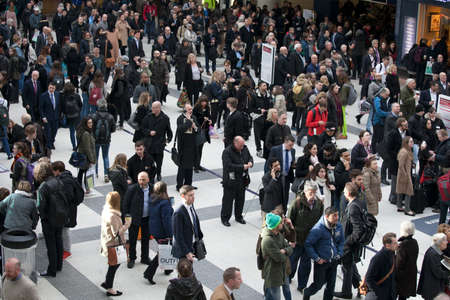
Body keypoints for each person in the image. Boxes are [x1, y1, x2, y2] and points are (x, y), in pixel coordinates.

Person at [288, 181, 323, 293]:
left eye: (314, 193)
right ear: (305, 192)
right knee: (293, 260)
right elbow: (288, 222)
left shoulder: (319, 205)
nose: (312, 196)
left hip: (310, 241)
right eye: (310, 193)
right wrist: (290, 239)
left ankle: (302, 285)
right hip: (297, 240)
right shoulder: (297, 203)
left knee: (306, 264)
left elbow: (320, 223)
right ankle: (288, 277)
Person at [303, 206, 344, 300]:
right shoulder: (318, 229)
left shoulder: (338, 225)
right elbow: (308, 244)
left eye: (337, 215)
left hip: (333, 261)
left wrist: (339, 253)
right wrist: (316, 258)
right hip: (322, 263)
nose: (337, 218)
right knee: (318, 285)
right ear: (327, 216)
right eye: (334, 216)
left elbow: (341, 241)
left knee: (331, 285)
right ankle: (307, 292)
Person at [34, 162, 68, 277]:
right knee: (58, 240)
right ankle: (59, 265)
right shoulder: (58, 180)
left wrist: (42, 216)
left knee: (51, 244)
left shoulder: (43, 186)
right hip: (60, 215)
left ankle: (51, 270)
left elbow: (40, 205)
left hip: (49, 219)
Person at [334, 183, 364, 299]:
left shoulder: (353, 207)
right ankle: (362, 288)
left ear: (348, 193)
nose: (343, 192)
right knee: (350, 265)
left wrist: (347, 242)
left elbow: (358, 230)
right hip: (350, 243)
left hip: (349, 243)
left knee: (347, 267)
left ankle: (346, 292)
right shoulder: (357, 203)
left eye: (345, 191)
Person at [100, 191, 131, 297]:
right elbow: (117, 232)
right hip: (113, 244)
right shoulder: (113, 215)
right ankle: (109, 288)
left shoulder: (106, 210)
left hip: (107, 241)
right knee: (114, 265)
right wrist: (127, 224)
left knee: (113, 264)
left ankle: (107, 283)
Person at [51, 161, 84, 260]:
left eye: (53, 171)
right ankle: (65, 248)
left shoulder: (65, 181)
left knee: (65, 229)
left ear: (57, 171)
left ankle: (67, 250)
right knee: (64, 228)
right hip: (67, 208)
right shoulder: (66, 177)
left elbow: (69, 196)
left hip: (68, 209)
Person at [143, 181, 174, 284]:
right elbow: (167, 221)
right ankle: (148, 273)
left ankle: (168, 269)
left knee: (164, 250)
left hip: (154, 229)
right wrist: (170, 235)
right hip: (162, 232)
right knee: (163, 252)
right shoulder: (165, 202)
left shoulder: (152, 199)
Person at [221, 136, 253, 227]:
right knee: (228, 200)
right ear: (235, 143)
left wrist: (251, 162)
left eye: (243, 145)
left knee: (241, 199)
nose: (242, 147)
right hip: (231, 180)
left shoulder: (244, 149)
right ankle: (225, 218)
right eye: (240, 145)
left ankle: (238, 216)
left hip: (243, 180)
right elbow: (228, 166)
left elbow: (250, 157)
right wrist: (242, 167)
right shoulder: (227, 152)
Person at [123, 171, 152, 269]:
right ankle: (132, 258)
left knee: (145, 239)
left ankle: (144, 257)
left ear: (148, 179)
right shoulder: (132, 189)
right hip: (134, 219)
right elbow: (125, 205)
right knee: (132, 239)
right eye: (140, 179)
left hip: (147, 219)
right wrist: (127, 218)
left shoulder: (152, 189)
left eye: (144, 179)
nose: (141, 182)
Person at [261, 212, 294, 300]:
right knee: (275, 297)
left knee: (270, 296)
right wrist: (285, 253)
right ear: (275, 226)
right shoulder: (267, 240)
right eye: (280, 223)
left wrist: (285, 250)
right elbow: (280, 258)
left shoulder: (278, 234)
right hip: (273, 274)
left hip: (282, 270)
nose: (282, 223)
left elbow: (290, 248)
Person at [140, 101, 173, 181]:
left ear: (159, 108)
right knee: (149, 162)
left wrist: (168, 140)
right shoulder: (148, 117)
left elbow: (169, 130)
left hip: (159, 144)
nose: (152, 109)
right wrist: (149, 132)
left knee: (159, 162)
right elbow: (142, 128)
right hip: (149, 144)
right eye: (152, 107)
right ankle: (150, 175)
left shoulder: (165, 118)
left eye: (154, 108)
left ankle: (158, 174)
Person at [172, 185, 204, 261]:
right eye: (190, 195)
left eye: (193, 195)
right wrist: (187, 252)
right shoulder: (178, 212)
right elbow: (178, 236)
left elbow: (194, 222)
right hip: (183, 250)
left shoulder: (191, 205)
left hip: (192, 244)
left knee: (187, 271)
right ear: (183, 196)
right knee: (185, 271)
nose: (193, 197)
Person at [365, 233, 398, 300]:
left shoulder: (392, 255)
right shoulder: (378, 258)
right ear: (388, 245)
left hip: (390, 295)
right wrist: (379, 293)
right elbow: (368, 278)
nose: (397, 245)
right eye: (395, 243)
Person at [417, 233, 450, 300]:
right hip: (432, 290)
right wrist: (448, 273)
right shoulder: (433, 254)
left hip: (433, 288)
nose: (447, 242)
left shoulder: (435, 251)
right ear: (440, 243)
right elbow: (438, 272)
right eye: (445, 240)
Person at [267, 135, 296, 211]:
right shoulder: (275, 149)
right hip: (277, 177)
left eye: (292, 145)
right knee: (276, 197)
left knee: (285, 197)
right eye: (290, 145)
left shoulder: (293, 151)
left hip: (286, 177)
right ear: (285, 142)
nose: (291, 147)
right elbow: (269, 163)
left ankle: (284, 213)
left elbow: (291, 163)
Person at [176, 103, 199, 191]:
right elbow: (180, 130)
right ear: (185, 110)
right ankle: (179, 185)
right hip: (183, 146)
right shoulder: (180, 118)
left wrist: (195, 127)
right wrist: (189, 122)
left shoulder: (194, 117)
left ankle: (188, 184)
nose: (191, 111)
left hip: (192, 145)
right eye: (189, 109)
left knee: (190, 167)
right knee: (182, 167)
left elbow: (198, 130)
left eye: (191, 109)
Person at [385, 118, 409, 204]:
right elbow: (388, 149)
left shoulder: (407, 132)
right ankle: (393, 198)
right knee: (395, 180)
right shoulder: (393, 134)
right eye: (405, 125)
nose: (407, 126)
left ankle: (397, 197)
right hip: (395, 161)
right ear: (400, 125)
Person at [93, 99, 116, 183]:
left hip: (96, 140)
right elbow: (113, 129)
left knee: (95, 157)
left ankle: (95, 173)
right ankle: (106, 174)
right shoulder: (110, 116)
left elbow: (92, 128)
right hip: (106, 140)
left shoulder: (94, 116)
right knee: (105, 157)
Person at [396, 221, 419, 300]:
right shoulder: (414, 242)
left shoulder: (403, 245)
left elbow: (399, 263)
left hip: (402, 276)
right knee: (403, 296)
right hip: (411, 273)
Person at [75, 117, 96, 194]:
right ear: (85, 124)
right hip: (86, 157)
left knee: (81, 172)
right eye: (89, 123)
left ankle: (79, 187)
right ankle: (88, 189)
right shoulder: (86, 133)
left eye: (91, 122)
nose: (91, 124)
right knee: (88, 173)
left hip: (81, 155)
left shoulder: (81, 131)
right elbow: (88, 148)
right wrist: (91, 159)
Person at [397, 136, 415, 216]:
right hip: (404, 174)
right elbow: (401, 165)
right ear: (406, 143)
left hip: (404, 173)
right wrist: (405, 175)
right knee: (409, 191)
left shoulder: (408, 150)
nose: (413, 143)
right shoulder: (404, 152)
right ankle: (407, 209)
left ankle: (399, 206)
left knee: (401, 189)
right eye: (411, 142)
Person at [193, 95, 212, 172]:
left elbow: (209, 116)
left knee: (200, 149)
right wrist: (202, 118)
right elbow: (194, 118)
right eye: (202, 102)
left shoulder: (207, 108)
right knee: (196, 149)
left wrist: (209, 120)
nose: (204, 103)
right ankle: (195, 166)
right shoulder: (196, 108)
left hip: (204, 130)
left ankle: (198, 164)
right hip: (198, 130)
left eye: (205, 102)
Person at [39, 82, 60, 150]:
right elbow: (41, 107)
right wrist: (43, 117)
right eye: (50, 88)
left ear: (55, 88)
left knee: (54, 131)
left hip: (55, 117)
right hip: (47, 117)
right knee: (48, 131)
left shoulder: (57, 94)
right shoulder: (43, 95)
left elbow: (58, 105)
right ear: (48, 87)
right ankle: (48, 145)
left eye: (53, 88)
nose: (51, 89)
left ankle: (51, 142)